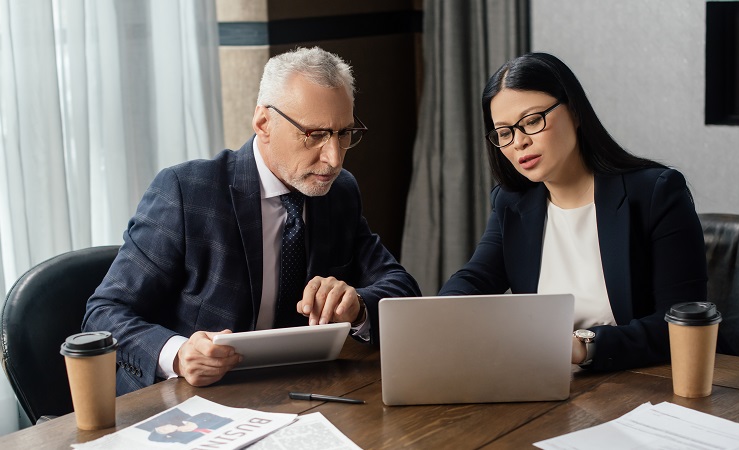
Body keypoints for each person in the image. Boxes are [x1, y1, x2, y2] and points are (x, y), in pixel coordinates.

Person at [83, 46, 420, 395]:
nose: (334, 159)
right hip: (195, 404)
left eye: (344, 133)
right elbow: (104, 313)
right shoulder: (187, 192)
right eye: (315, 135)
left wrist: (358, 305)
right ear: (263, 123)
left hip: (301, 395)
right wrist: (179, 354)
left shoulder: (339, 192)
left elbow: (402, 291)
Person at [438, 52, 707, 371]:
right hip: (551, 381)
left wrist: (581, 347)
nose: (519, 143)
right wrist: (440, 314)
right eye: (505, 132)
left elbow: (680, 324)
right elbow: (477, 277)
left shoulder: (656, 193)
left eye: (532, 121)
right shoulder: (511, 203)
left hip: (642, 381)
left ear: (575, 113)